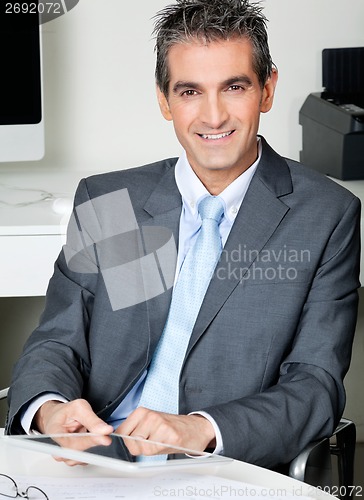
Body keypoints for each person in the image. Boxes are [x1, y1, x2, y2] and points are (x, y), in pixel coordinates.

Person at [6, 0, 360, 470]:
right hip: (90, 462)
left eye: (234, 87)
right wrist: (50, 410)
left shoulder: (326, 215)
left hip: (221, 468)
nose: (213, 117)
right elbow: (57, 341)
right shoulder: (113, 202)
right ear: (163, 99)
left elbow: (315, 386)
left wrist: (200, 428)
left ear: (267, 89)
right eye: (190, 91)